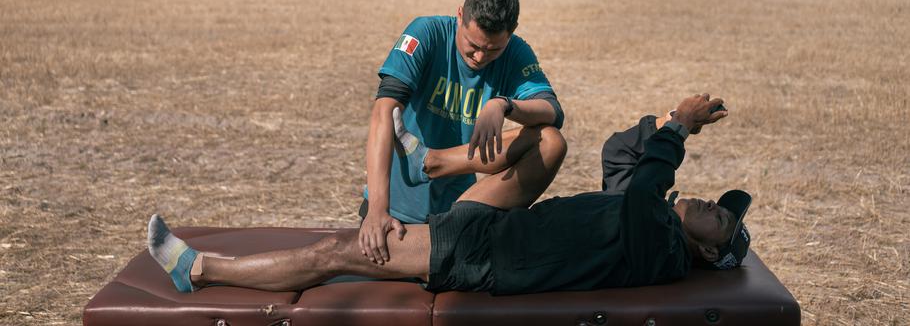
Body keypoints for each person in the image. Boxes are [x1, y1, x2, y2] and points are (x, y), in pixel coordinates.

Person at [148, 93, 752, 295]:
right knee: (544, 143)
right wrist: (662, 125)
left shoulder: (663, 254)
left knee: (338, 250)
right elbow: (623, 156)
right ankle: (433, 162)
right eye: (720, 206)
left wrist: (680, 124)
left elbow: (648, 184)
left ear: (706, 254)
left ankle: (198, 271)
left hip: (488, 258)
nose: (709, 207)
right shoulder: (650, 220)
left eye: (720, 222)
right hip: (497, 228)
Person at [359, 0, 566, 265]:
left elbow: (553, 111)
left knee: (549, 138)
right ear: (459, 16)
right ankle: (419, 170)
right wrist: (377, 211)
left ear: (511, 34)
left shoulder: (516, 52)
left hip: (451, 218)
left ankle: (432, 162)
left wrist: (503, 105)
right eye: (472, 45)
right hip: (391, 210)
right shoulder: (426, 33)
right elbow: (384, 112)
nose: (480, 57)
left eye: (493, 49)